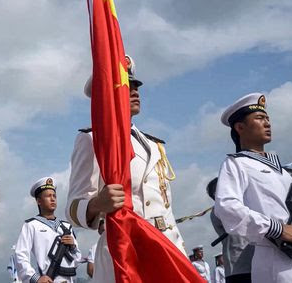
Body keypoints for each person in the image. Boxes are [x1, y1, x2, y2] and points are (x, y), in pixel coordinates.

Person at [65, 55, 186, 282]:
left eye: (136, 86)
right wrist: (96, 204)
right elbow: (72, 209)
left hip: (167, 247)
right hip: (126, 251)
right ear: (107, 96)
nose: (135, 91)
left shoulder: (154, 145)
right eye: (126, 86)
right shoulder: (92, 140)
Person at [215, 92, 292, 283]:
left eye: (268, 118)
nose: (267, 123)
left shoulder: (283, 171)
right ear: (240, 127)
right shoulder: (236, 164)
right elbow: (227, 207)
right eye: (259, 118)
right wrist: (277, 229)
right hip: (273, 254)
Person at [15, 177, 82, 283]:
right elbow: (20, 255)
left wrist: (73, 247)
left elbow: (77, 260)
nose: (53, 199)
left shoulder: (66, 226)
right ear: (39, 201)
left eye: (54, 196)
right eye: (48, 196)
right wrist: (35, 278)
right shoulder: (31, 225)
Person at [207, 178, 253, 283]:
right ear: (216, 194)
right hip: (238, 267)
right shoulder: (218, 210)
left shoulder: (239, 205)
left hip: (254, 263)